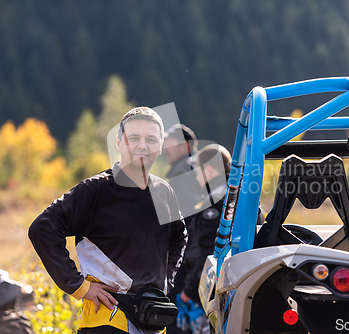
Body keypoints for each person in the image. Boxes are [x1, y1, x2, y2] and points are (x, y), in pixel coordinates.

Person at [28, 107, 188, 334]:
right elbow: (42, 228)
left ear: (160, 146)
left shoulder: (164, 191)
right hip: (106, 318)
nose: (142, 145)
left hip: (151, 317)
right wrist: (79, 287)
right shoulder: (95, 190)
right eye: (134, 138)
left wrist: (165, 283)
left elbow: (179, 238)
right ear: (119, 143)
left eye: (151, 139)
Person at [176, 144, 232, 334]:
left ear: (208, 169)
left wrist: (190, 290)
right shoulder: (236, 194)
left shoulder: (218, 200)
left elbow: (210, 251)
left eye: (197, 170)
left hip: (213, 291)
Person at [162, 124, 203, 334]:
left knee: (180, 324)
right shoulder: (200, 168)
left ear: (186, 146)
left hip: (187, 261)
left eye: (170, 144)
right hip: (201, 260)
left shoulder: (183, 170)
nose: (165, 149)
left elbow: (182, 219)